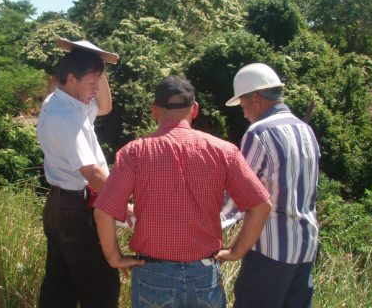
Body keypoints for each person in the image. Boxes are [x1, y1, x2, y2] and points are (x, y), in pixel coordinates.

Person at [94, 76, 272, 308]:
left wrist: (114, 257)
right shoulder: (224, 151)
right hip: (204, 272)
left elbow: (104, 210)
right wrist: (236, 252)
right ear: (194, 109)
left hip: (152, 272)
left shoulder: (134, 153)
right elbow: (261, 205)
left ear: (155, 110)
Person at [37, 47, 131, 308]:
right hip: (78, 210)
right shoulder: (68, 116)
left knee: (60, 287)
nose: (96, 89)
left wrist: (98, 63)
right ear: (71, 79)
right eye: (92, 83)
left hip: (60, 207)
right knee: (100, 287)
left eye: (99, 82)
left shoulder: (60, 101)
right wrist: (124, 205)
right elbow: (92, 172)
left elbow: (105, 107)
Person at [222, 63, 320, 308]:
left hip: (271, 250)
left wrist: (205, 222)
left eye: (243, 106)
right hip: (306, 247)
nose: (244, 114)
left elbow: (239, 193)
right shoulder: (306, 130)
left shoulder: (259, 132)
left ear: (255, 99)